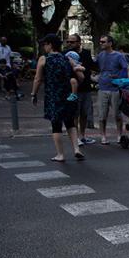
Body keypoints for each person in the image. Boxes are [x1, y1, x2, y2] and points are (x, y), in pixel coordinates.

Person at [31, 33, 83, 162]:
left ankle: (60, 154)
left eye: (45, 44)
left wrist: (34, 93)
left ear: (50, 44)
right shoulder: (67, 59)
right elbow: (80, 76)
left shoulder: (44, 59)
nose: (44, 47)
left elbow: (37, 79)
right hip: (68, 94)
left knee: (56, 125)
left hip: (53, 95)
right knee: (70, 123)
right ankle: (76, 149)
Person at [95, 35, 129, 145]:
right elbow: (95, 67)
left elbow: (125, 69)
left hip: (115, 89)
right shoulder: (100, 55)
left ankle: (119, 135)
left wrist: (118, 77)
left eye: (103, 42)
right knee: (102, 115)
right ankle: (103, 136)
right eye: (100, 42)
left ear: (110, 43)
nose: (101, 43)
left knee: (117, 114)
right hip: (102, 88)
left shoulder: (118, 56)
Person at [65, 34, 97, 145]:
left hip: (86, 88)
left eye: (72, 42)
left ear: (79, 42)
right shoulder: (66, 54)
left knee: (84, 113)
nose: (69, 44)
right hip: (73, 89)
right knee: (75, 114)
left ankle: (82, 136)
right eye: (68, 41)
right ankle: (76, 138)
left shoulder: (86, 53)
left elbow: (92, 67)